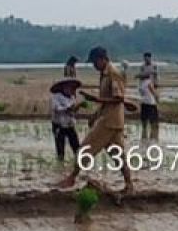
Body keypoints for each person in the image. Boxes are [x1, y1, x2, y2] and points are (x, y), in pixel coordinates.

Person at [57, 47, 133, 193]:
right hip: (112, 120)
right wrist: (95, 114)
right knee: (118, 155)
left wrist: (95, 99)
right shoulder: (104, 75)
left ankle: (72, 177)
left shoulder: (113, 74)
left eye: (94, 62)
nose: (93, 66)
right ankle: (129, 184)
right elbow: (108, 102)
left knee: (85, 148)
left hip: (109, 122)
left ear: (102, 59)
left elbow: (118, 99)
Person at [50, 78, 82, 163]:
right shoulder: (56, 97)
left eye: (72, 88)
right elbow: (57, 108)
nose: (70, 89)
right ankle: (60, 165)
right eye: (68, 87)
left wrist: (76, 108)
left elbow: (72, 112)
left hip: (69, 125)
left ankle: (79, 163)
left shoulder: (72, 97)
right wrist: (69, 108)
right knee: (60, 148)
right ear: (63, 87)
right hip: (59, 125)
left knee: (76, 147)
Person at [138, 71, 159, 138]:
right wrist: (157, 96)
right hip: (151, 102)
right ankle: (153, 134)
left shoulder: (141, 84)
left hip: (144, 102)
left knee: (144, 118)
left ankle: (144, 132)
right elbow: (152, 91)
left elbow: (141, 93)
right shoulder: (149, 82)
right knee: (152, 118)